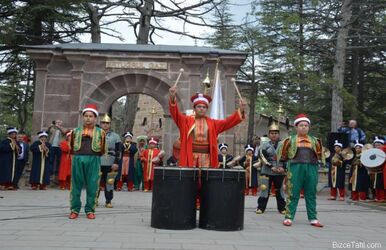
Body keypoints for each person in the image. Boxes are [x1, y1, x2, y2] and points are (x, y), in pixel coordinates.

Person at [168, 85, 246, 168]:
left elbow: (228, 122)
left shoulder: (213, 123)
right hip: (190, 156)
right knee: (189, 179)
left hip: (207, 158)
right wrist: (172, 98)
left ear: (206, 109)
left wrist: (240, 110)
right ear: (194, 108)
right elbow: (175, 114)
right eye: (199, 106)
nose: (201, 109)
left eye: (204, 107)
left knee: (206, 179)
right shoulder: (185, 121)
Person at [277, 114, 324, 227]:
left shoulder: (315, 141)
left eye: (306, 125)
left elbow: (320, 154)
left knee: (311, 193)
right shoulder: (289, 140)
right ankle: (288, 217)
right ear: (296, 127)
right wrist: (282, 166)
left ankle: (313, 218)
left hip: (311, 167)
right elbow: (281, 154)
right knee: (293, 192)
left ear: (309, 127)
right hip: (295, 167)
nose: (303, 127)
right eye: (301, 125)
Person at [69, 104, 106, 220]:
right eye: (86, 116)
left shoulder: (101, 132)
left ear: (95, 118)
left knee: (93, 185)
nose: (88, 118)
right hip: (78, 159)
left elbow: (103, 149)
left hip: (94, 159)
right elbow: (71, 147)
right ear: (83, 117)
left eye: (91, 116)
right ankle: (74, 209)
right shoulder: (75, 131)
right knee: (76, 185)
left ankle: (90, 210)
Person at [256, 121, 286, 215]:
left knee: (280, 190)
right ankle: (261, 207)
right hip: (267, 170)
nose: (274, 135)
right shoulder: (264, 145)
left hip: (279, 170)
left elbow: (288, 157)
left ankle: (282, 208)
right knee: (264, 189)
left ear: (278, 134)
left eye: (276, 133)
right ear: (269, 134)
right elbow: (262, 156)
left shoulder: (283, 145)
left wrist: (284, 168)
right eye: (272, 133)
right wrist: (271, 166)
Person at [98, 114, 121, 208]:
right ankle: (94, 200)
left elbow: (119, 151)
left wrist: (116, 162)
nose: (105, 124)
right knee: (96, 182)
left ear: (110, 124)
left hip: (111, 162)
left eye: (107, 123)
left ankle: (108, 200)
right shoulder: (96, 135)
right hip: (98, 161)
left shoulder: (115, 136)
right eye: (103, 123)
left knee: (110, 182)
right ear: (100, 124)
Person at [372, 136, 385, 202]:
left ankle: (382, 197)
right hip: (375, 171)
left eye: (379, 145)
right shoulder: (373, 153)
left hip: (382, 170)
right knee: (375, 184)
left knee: (381, 184)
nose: (377, 146)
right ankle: (377, 197)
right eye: (376, 145)